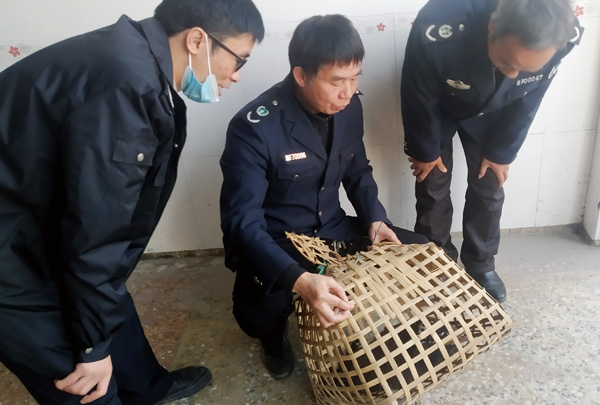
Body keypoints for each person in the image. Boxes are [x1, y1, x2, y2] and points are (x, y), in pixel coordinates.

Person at [0, 0, 264, 403]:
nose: (237, 74)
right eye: (239, 59)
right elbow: (96, 230)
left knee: (108, 300)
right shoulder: (128, 87)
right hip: (10, 250)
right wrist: (92, 349)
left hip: (33, 210)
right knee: (83, 380)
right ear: (197, 40)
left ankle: (146, 389)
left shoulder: (133, 55)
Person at [220, 14, 428, 380]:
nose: (347, 92)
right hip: (278, 238)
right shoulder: (254, 128)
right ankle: (273, 339)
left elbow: (357, 170)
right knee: (261, 311)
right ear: (301, 75)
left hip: (331, 227)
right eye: (336, 81)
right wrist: (300, 280)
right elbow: (242, 222)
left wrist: (375, 218)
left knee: (420, 250)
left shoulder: (349, 108)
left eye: (354, 78)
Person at [401, 0, 582, 303]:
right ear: (492, 26)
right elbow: (417, 92)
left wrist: (502, 151)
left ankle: (481, 263)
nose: (513, 73)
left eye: (525, 68)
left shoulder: (563, 33)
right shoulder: (439, 24)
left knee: (490, 184)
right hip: (439, 101)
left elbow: (531, 96)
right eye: (507, 61)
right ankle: (436, 261)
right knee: (431, 182)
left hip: (498, 107)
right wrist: (424, 149)